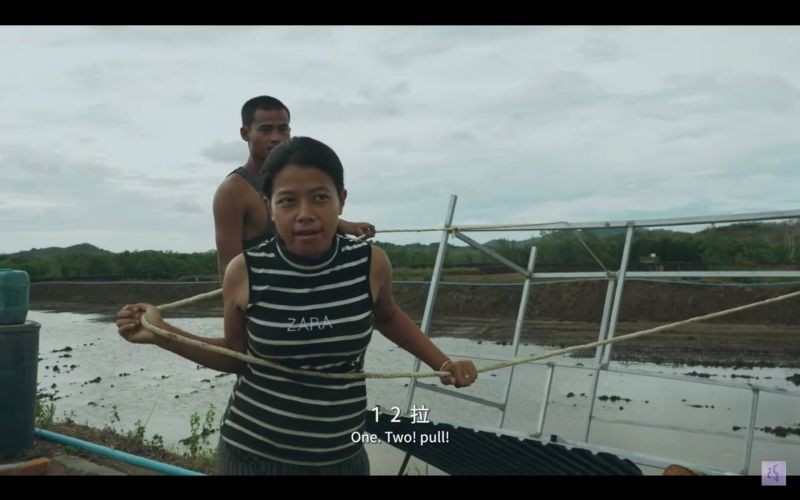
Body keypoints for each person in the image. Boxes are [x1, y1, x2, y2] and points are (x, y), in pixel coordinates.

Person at [116, 136, 478, 475]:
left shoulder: (370, 263)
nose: (304, 213)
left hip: (343, 457)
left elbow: (388, 317)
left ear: (342, 199)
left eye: (320, 197)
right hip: (253, 456)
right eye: (288, 200)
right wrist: (161, 333)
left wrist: (442, 362)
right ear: (269, 206)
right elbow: (235, 357)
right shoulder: (245, 271)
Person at [212, 95, 374, 281]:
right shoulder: (232, 192)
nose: (276, 138)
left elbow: (302, 216)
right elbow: (229, 270)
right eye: (266, 130)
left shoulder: (296, 177)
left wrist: (348, 227)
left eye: (283, 129)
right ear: (245, 133)